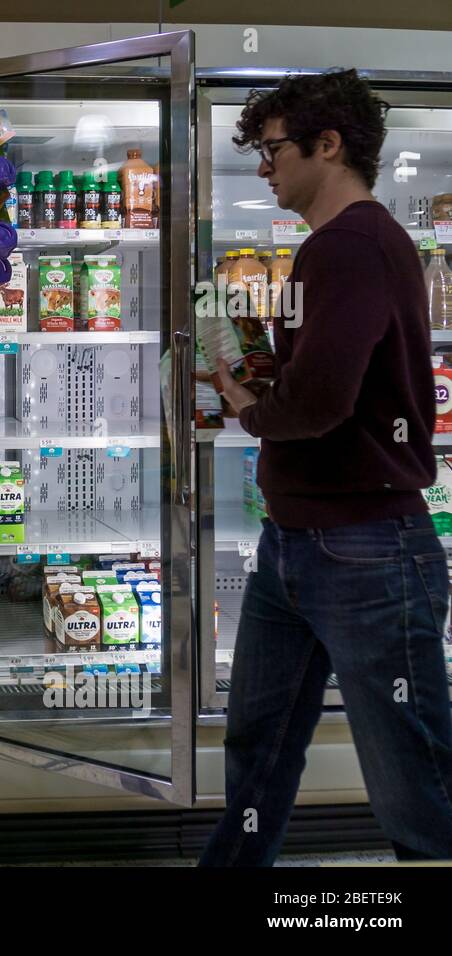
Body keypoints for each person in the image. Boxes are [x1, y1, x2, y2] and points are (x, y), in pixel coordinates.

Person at [202, 69, 452, 865]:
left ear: (329, 144)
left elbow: (317, 406)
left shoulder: (348, 246)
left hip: (369, 549)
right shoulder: (340, 248)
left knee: (413, 775)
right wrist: (262, 377)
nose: (263, 167)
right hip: (298, 543)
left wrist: (246, 405)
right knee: (259, 744)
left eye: (273, 149)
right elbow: (326, 377)